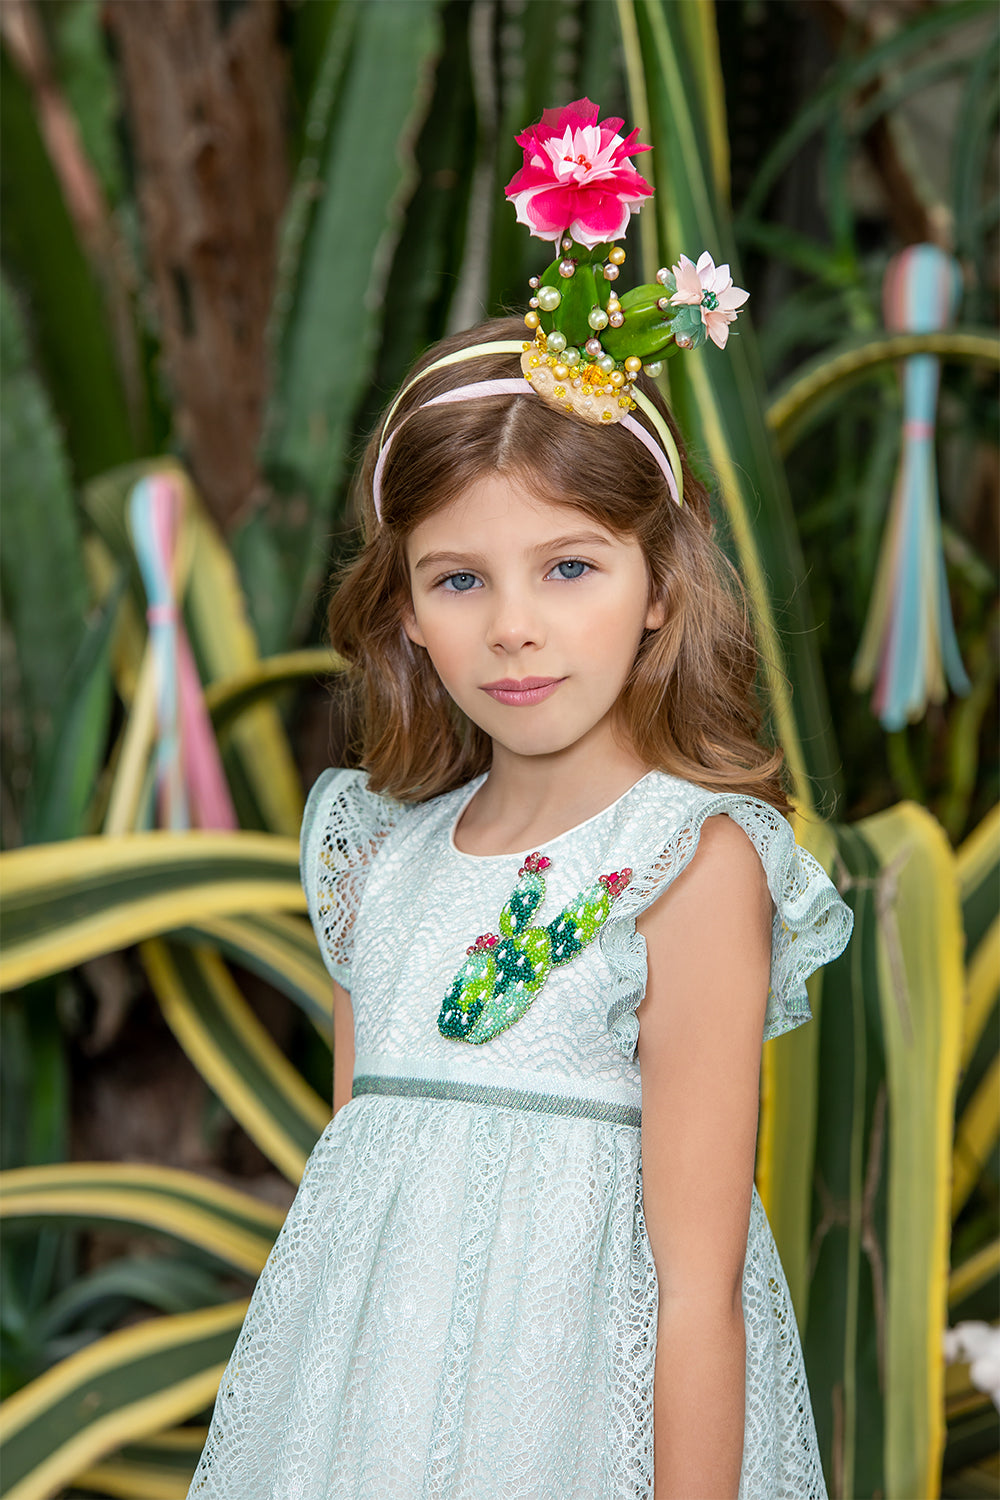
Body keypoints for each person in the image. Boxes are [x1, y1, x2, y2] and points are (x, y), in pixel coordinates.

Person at [189, 101, 852, 1500]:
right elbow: (356, 1209)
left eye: (569, 568)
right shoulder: (381, 864)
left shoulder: (686, 861)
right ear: (408, 618)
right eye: (459, 579)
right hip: (365, 1437)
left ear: (658, 585)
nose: (514, 629)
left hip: (570, 1437)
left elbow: (696, 1290)